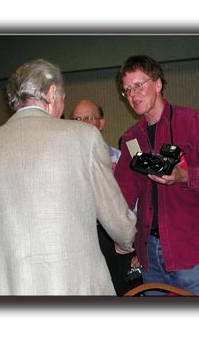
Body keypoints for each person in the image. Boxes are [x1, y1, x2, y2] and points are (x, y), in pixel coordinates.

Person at [0, 59, 137, 296]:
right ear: (52, 94)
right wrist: (125, 240)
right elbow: (116, 217)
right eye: (63, 97)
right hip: (76, 286)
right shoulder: (85, 138)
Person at [114, 55, 199, 296]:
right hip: (150, 250)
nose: (133, 95)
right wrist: (120, 231)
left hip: (190, 249)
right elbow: (125, 191)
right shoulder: (131, 138)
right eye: (127, 90)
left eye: (139, 85)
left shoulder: (192, 122)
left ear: (158, 84)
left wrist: (183, 175)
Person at [71, 100, 137, 296]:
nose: (82, 123)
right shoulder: (63, 163)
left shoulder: (121, 160)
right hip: (79, 239)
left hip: (115, 237)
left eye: (89, 118)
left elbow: (135, 206)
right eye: (76, 119)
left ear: (101, 123)